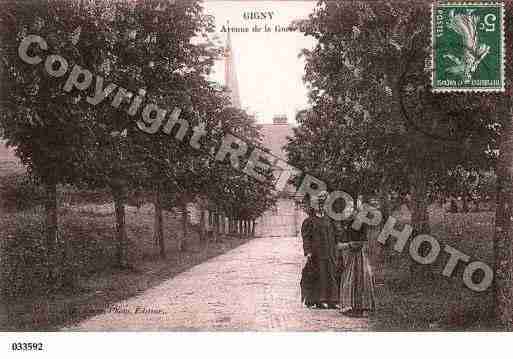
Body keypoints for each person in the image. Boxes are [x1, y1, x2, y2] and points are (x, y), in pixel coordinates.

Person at [301, 191, 340, 309]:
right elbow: (306, 237)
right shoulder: (309, 221)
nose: (321, 208)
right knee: (320, 274)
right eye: (319, 206)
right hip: (317, 252)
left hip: (330, 251)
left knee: (331, 274)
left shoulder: (330, 220)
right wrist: (308, 252)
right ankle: (320, 299)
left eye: (323, 206)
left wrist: (338, 245)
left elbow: (337, 234)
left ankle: (333, 300)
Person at [337, 213, 376, 316]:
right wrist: (349, 245)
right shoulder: (347, 228)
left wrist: (356, 244)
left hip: (360, 255)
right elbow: (340, 244)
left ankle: (362, 306)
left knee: (361, 278)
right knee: (353, 278)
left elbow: (364, 242)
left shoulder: (362, 226)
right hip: (352, 255)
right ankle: (350, 305)